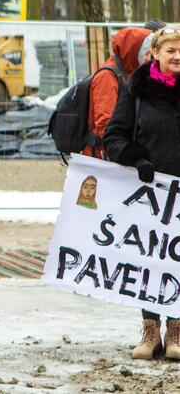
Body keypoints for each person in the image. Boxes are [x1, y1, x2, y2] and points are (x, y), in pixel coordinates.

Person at [104, 24, 180, 360]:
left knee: (177, 262)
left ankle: (176, 332)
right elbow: (113, 137)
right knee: (148, 262)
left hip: (179, 197)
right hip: (146, 195)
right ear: (155, 54)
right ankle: (150, 331)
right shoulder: (135, 92)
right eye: (171, 51)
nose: (177, 57)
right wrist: (136, 158)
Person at [83, 27, 150, 158]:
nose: (150, 58)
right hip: (102, 156)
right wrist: (123, 149)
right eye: (146, 53)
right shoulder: (107, 76)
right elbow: (105, 124)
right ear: (133, 51)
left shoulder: (128, 73)